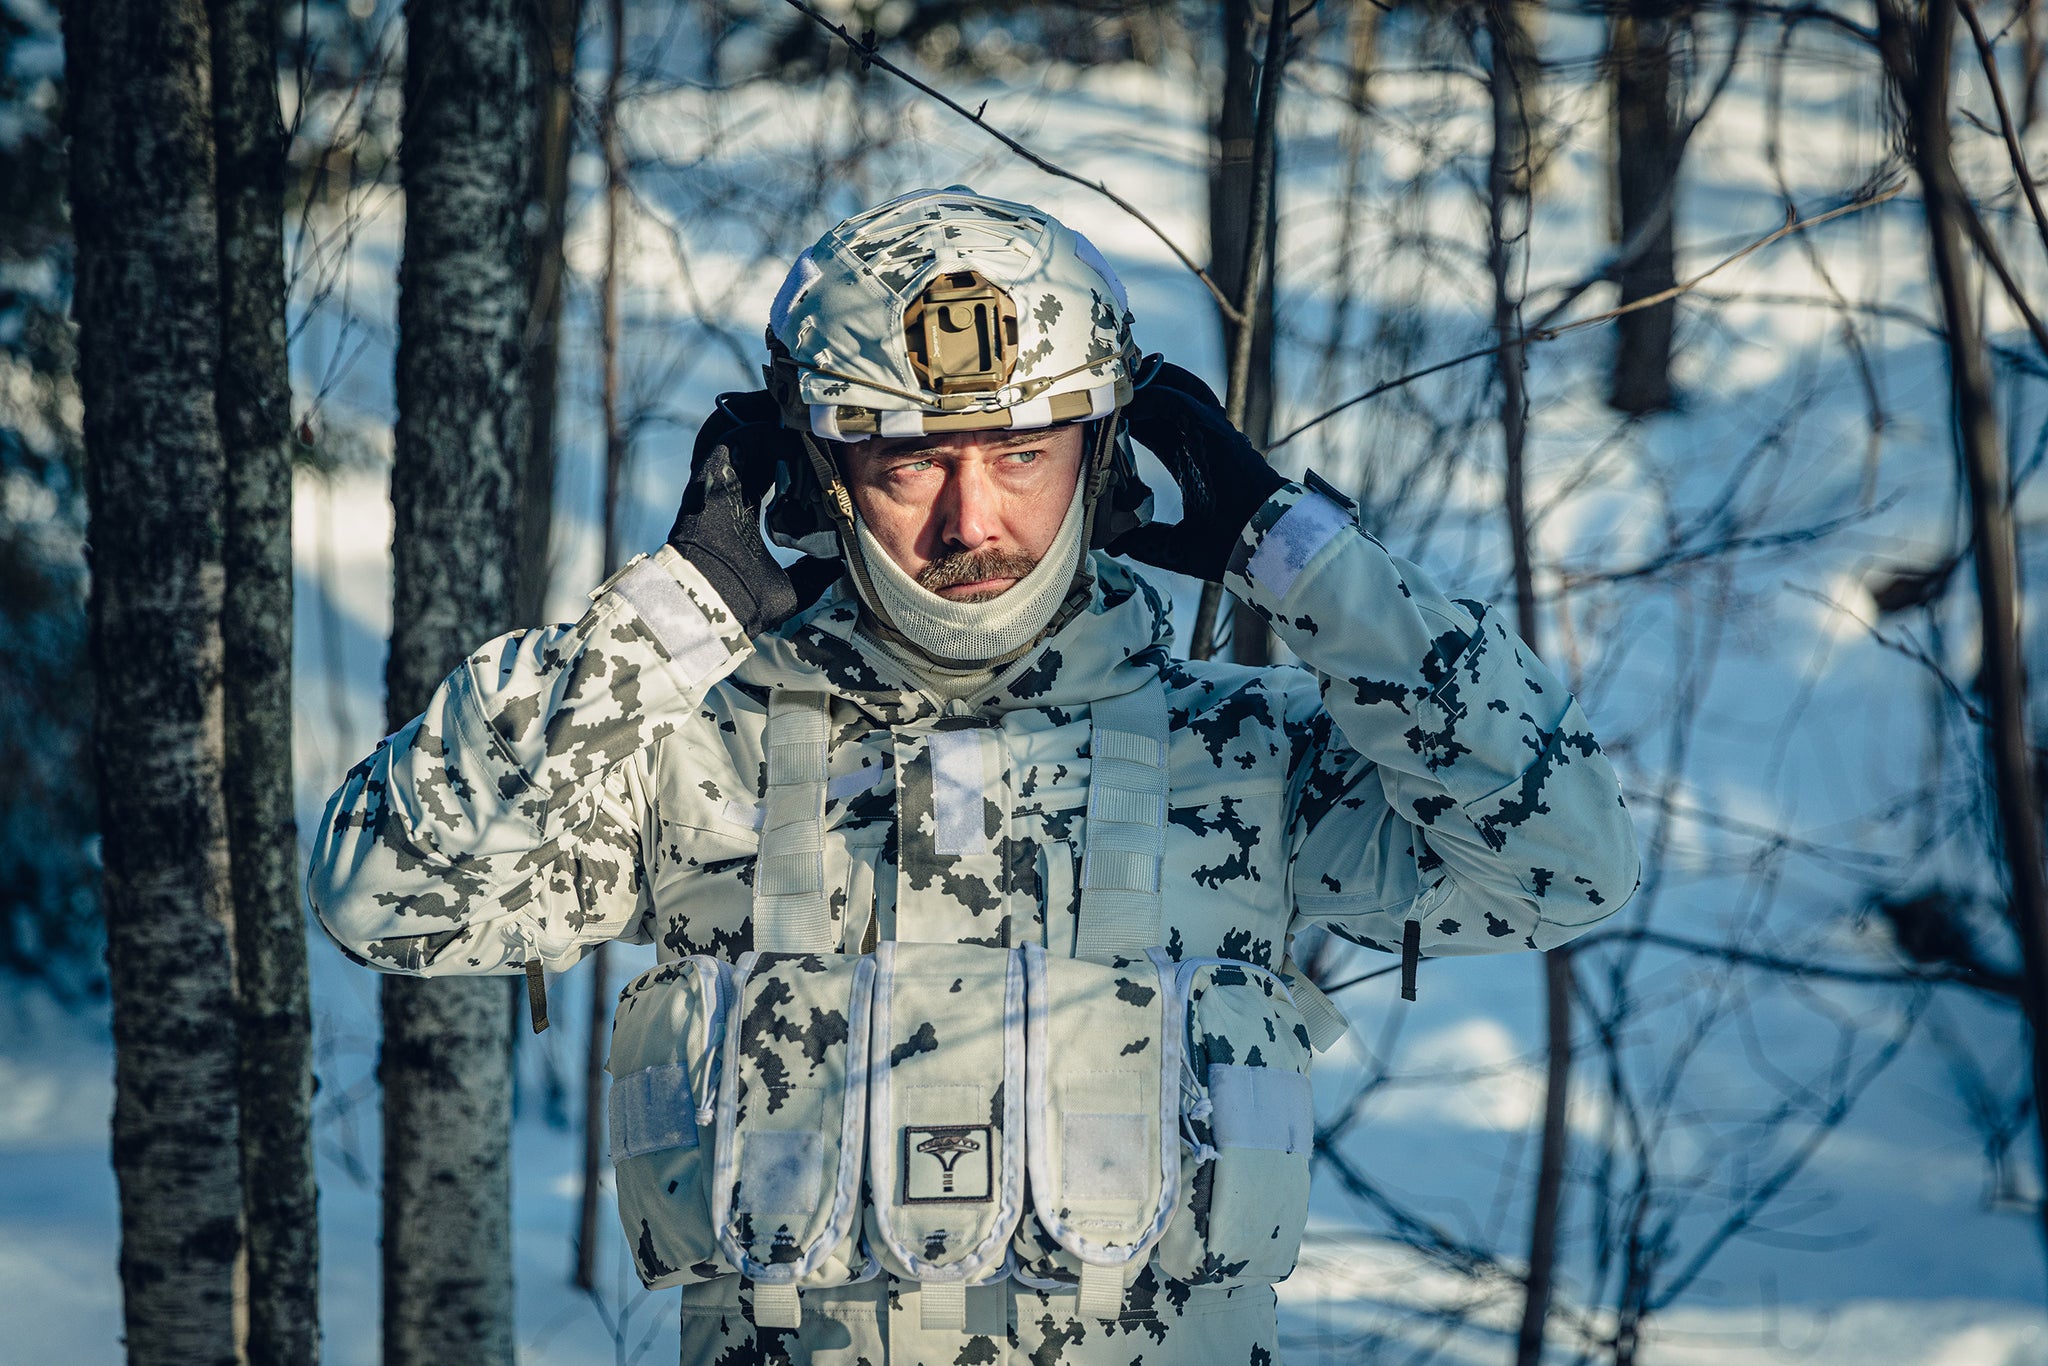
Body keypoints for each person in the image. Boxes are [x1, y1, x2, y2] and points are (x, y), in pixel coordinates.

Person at [308, 186, 1639, 1364]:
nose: (972, 520)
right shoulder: (689, 753)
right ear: (815, 469)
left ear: (1102, 458)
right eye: (908, 459)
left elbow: (1568, 858)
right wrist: (679, 608)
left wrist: (1298, 558)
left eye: (1022, 453)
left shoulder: (1246, 754)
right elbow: (381, 888)